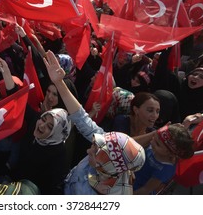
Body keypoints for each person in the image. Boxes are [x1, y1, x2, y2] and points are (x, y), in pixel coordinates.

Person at [43, 50, 146, 195]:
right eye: (93, 146)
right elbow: (81, 117)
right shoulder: (107, 144)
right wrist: (59, 83)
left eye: (93, 153)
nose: (88, 151)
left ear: (105, 167)